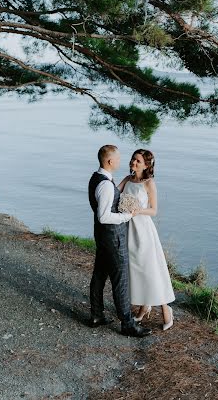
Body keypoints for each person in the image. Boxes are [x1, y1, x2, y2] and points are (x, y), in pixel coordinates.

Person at [88, 144, 151, 338]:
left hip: (102, 236)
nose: (121, 161)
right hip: (113, 237)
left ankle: (97, 315)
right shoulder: (106, 185)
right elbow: (104, 216)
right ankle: (128, 324)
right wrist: (126, 216)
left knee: (99, 275)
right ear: (109, 161)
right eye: (118, 158)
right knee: (120, 280)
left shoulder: (95, 178)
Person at [118, 149, 175, 330]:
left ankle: (165, 308)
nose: (133, 163)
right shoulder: (127, 180)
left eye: (138, 161)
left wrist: (137, 211)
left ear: (147, 165)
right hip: (127, 229)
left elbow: (153, 210)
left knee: (149, 269)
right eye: (133, 160)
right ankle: (144, 306)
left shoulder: (149, 183)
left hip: (142, 230)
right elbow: (114, 195)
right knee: (135, 270)